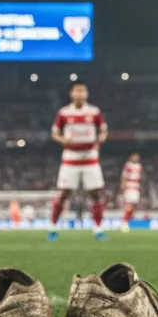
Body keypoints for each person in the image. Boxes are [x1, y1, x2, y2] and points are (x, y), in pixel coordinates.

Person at [48, 82, 108, 241]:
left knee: (95, 194)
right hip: (71, 158)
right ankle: (53, 228)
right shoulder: (64, 113)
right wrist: (63, 140)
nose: (80, 94)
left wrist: (100, 140)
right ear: (71, 94)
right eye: (77, 91)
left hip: (90, 158)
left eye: (83, 91)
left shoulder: (94, 112)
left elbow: (103, 130)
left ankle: (98, 229)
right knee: (63, 194)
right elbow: (54, 133)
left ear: (87, 94)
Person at [120, 152, 143, 231]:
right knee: (129, 204)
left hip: (136, 187)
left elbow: (139, 178)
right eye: (135, 157)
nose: (136, 158)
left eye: (137, 157)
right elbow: (124, 176)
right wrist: (123, 184)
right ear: (131, 157)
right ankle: (124, 223)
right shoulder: (128, 165)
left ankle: (127, 222)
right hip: (129, 186)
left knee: (133, 206)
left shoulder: (139, 166)